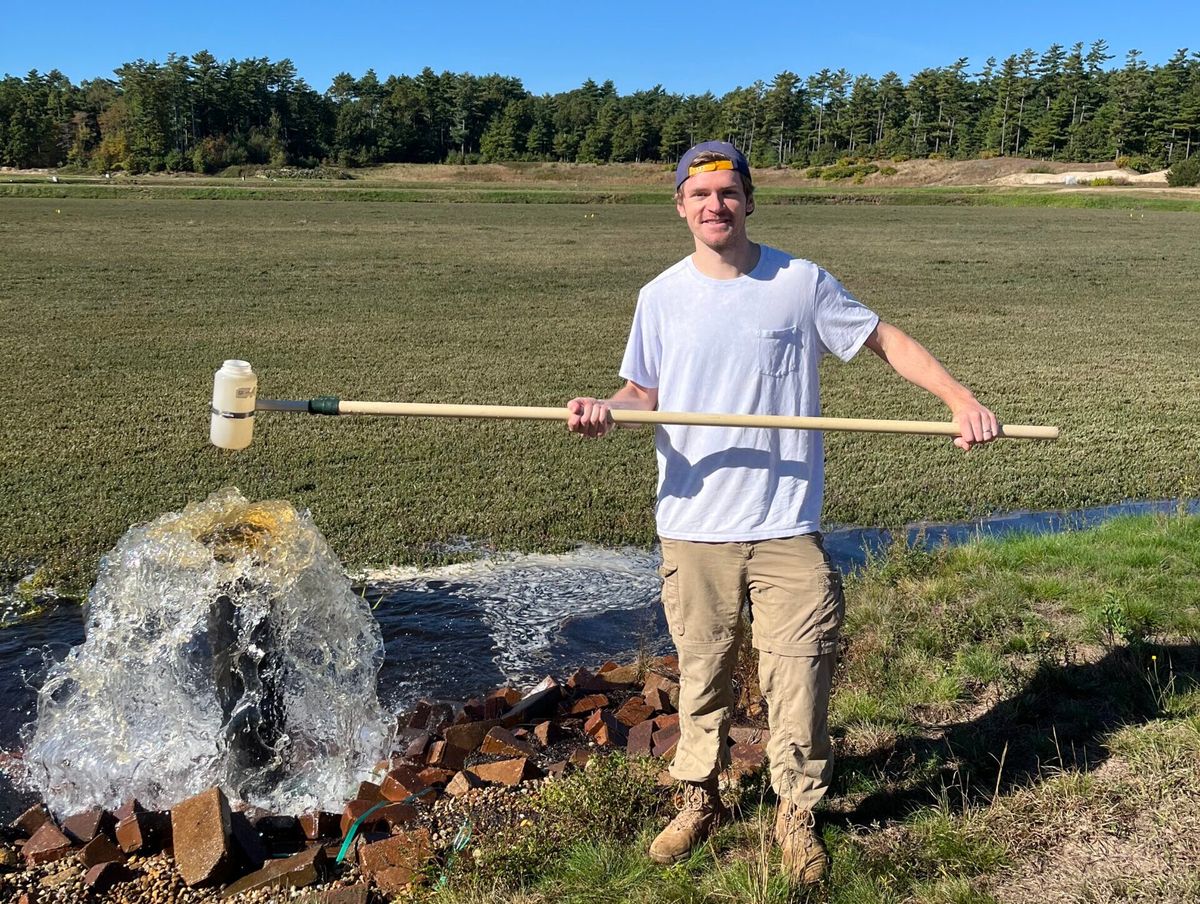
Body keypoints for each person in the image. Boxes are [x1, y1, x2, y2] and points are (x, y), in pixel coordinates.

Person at [566, 140, 998, 884]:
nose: (715, 205)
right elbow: (642, 393)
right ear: (679, 205)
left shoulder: (800, 283)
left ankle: (796, 812)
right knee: (702, 674)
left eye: (728, 192)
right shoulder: (659, 295)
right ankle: (699, 798)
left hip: (784, 525)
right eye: (699, 195)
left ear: (749, 200)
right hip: (694, 524)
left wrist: (960, 399)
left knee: (800, 675)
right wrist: (604, 409)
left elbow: (883, 339)